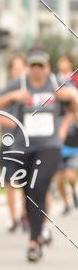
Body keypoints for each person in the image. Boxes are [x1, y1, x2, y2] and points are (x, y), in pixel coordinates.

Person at [0, 48, 78, 262]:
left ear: (47, 67)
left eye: (41, 66)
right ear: (29, 68)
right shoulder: (19, 84)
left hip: (49, 145)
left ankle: (33, 240)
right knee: (28, 191)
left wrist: (70, 99)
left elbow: (74, 108)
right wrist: (13, 97)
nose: (37, 71)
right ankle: (38, 233)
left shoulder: (56, 83)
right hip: (23, 146)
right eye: (34, 66)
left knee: (39, 187)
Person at [0, 53, 28, 232]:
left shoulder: (33, 90)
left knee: (28, 183)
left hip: (28, 144)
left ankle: (27, 216)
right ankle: (13, 219)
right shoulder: (7, 92)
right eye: (15, 68)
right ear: (11, 71)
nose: (19, 71)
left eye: (22, 68)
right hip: (8, 143)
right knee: (10, 183)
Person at [55, 52, 78, 214]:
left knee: (70, 175)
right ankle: (65, 203)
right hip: (56, 135)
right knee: (58, 178)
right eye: (60, 60)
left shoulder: (74, 80)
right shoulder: (52, 80)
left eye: (65, 61)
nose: (62, 63)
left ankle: (74, 191)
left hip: (73, 135)